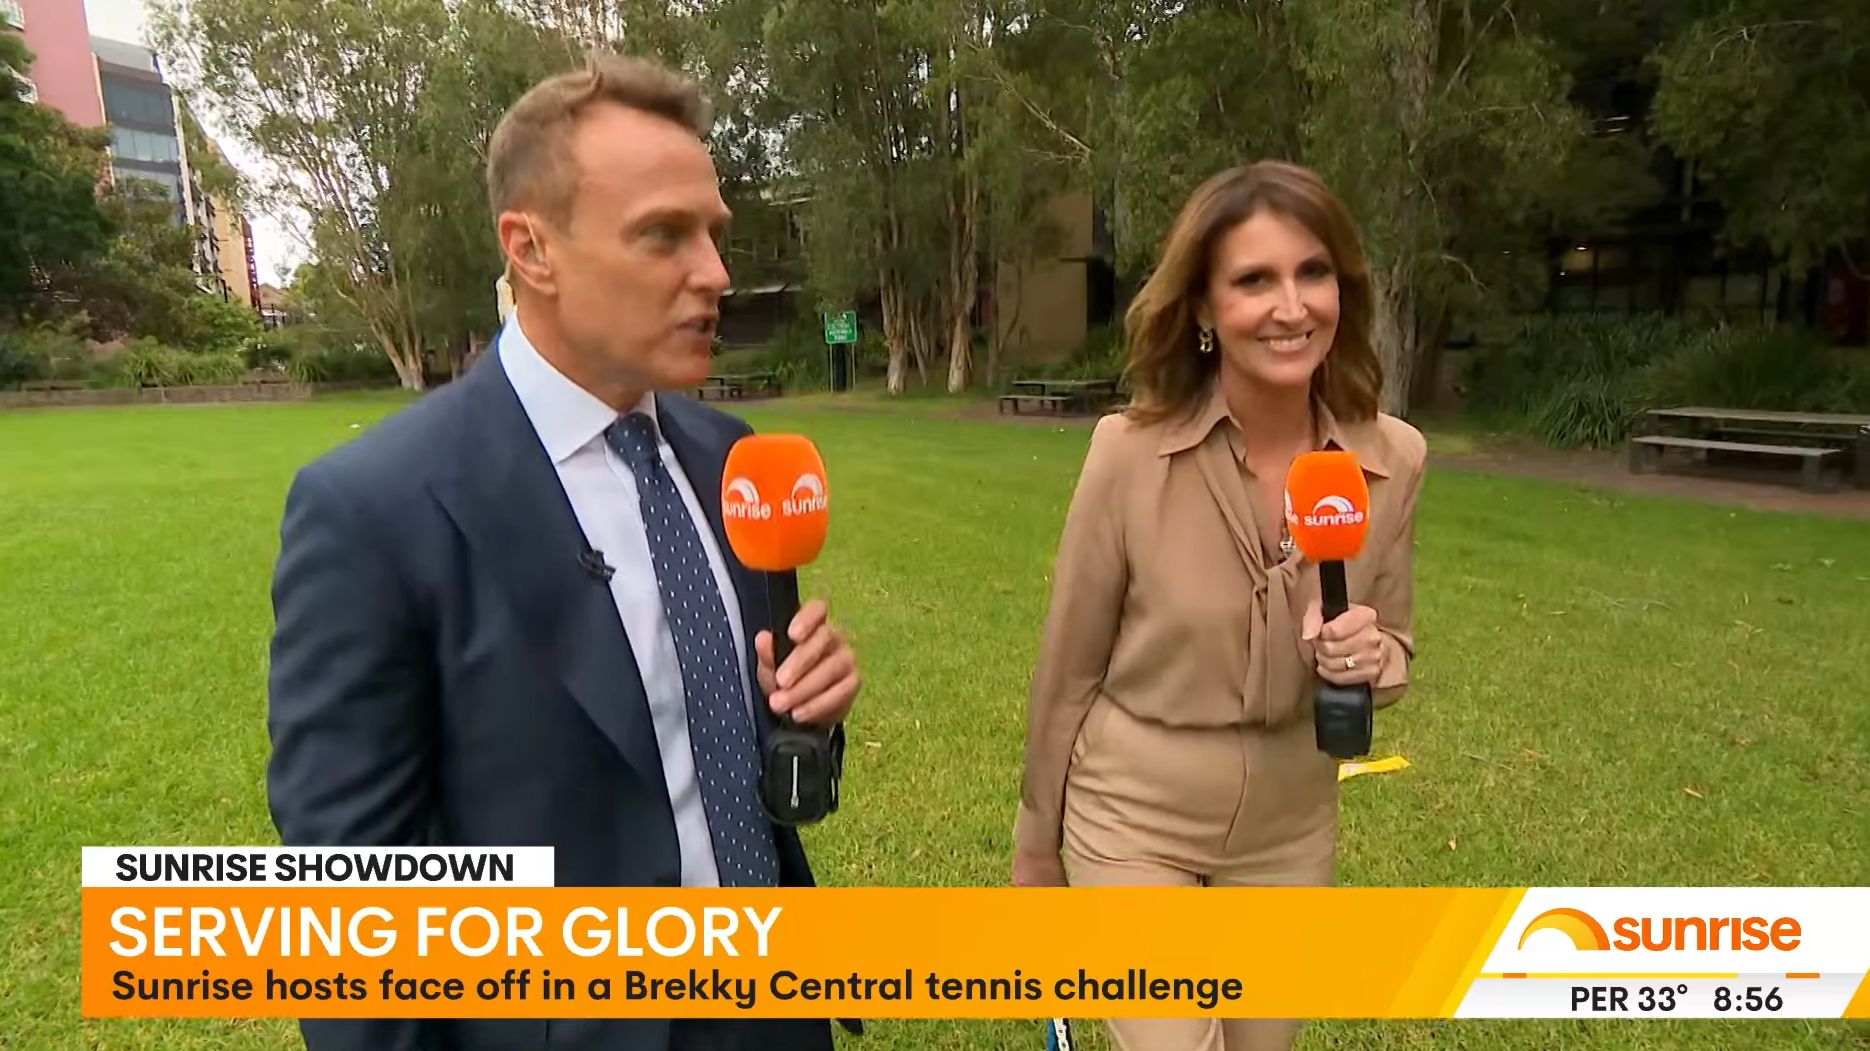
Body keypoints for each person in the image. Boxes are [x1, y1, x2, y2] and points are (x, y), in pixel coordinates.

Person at [266, 53, 860, 1051]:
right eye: (663, 235)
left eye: (714, 233)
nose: (715, 273)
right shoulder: (374, 509)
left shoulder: (734, 459)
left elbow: (750, 767)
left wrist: (807, 721)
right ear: (531, 250)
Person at [1011, 161, 1426, 1051]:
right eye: (1255, 280)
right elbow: (1068, 664)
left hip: (1288, 824)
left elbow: (1395, 642)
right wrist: (1036, 845)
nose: (1291, 306)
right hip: (1135, 812)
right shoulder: (1127, 455)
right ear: (1203, 306)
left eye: (1313, 272)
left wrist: (1370, 658)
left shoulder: (1394, 458)